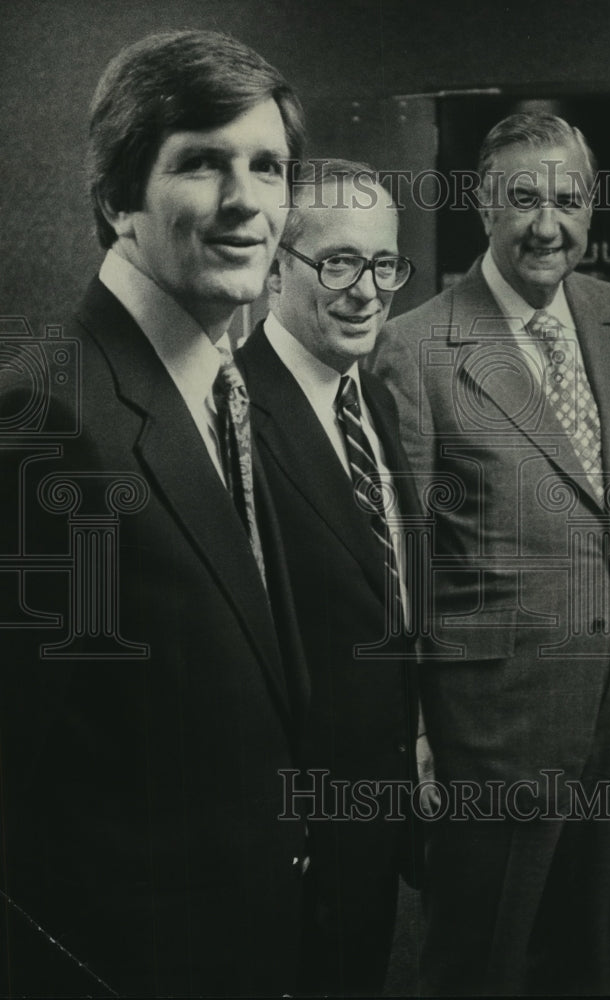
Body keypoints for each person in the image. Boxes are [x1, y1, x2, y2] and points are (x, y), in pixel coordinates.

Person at [367, 112, 610, 995]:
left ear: (593, 206)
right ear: (484, 201)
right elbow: (397, 560)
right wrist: (411, 729)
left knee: (586, 948)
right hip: (494, 721)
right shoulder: (415, 350)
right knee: (480, 957)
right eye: (523, 198)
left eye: (568, 200)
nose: (546, 224)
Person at [0, 29, 307, 997]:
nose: (247, 202)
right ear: (116, 197)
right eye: (202, 163)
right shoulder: (45, 414)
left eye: (268, 165)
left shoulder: (226, 384)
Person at [238, 159, 425, 997]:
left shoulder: (370, 398)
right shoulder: (230, 413)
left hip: (376, 812)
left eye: (385, 264)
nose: (368, 291)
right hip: (290, 838)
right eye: (339, 262)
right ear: (277, 265)